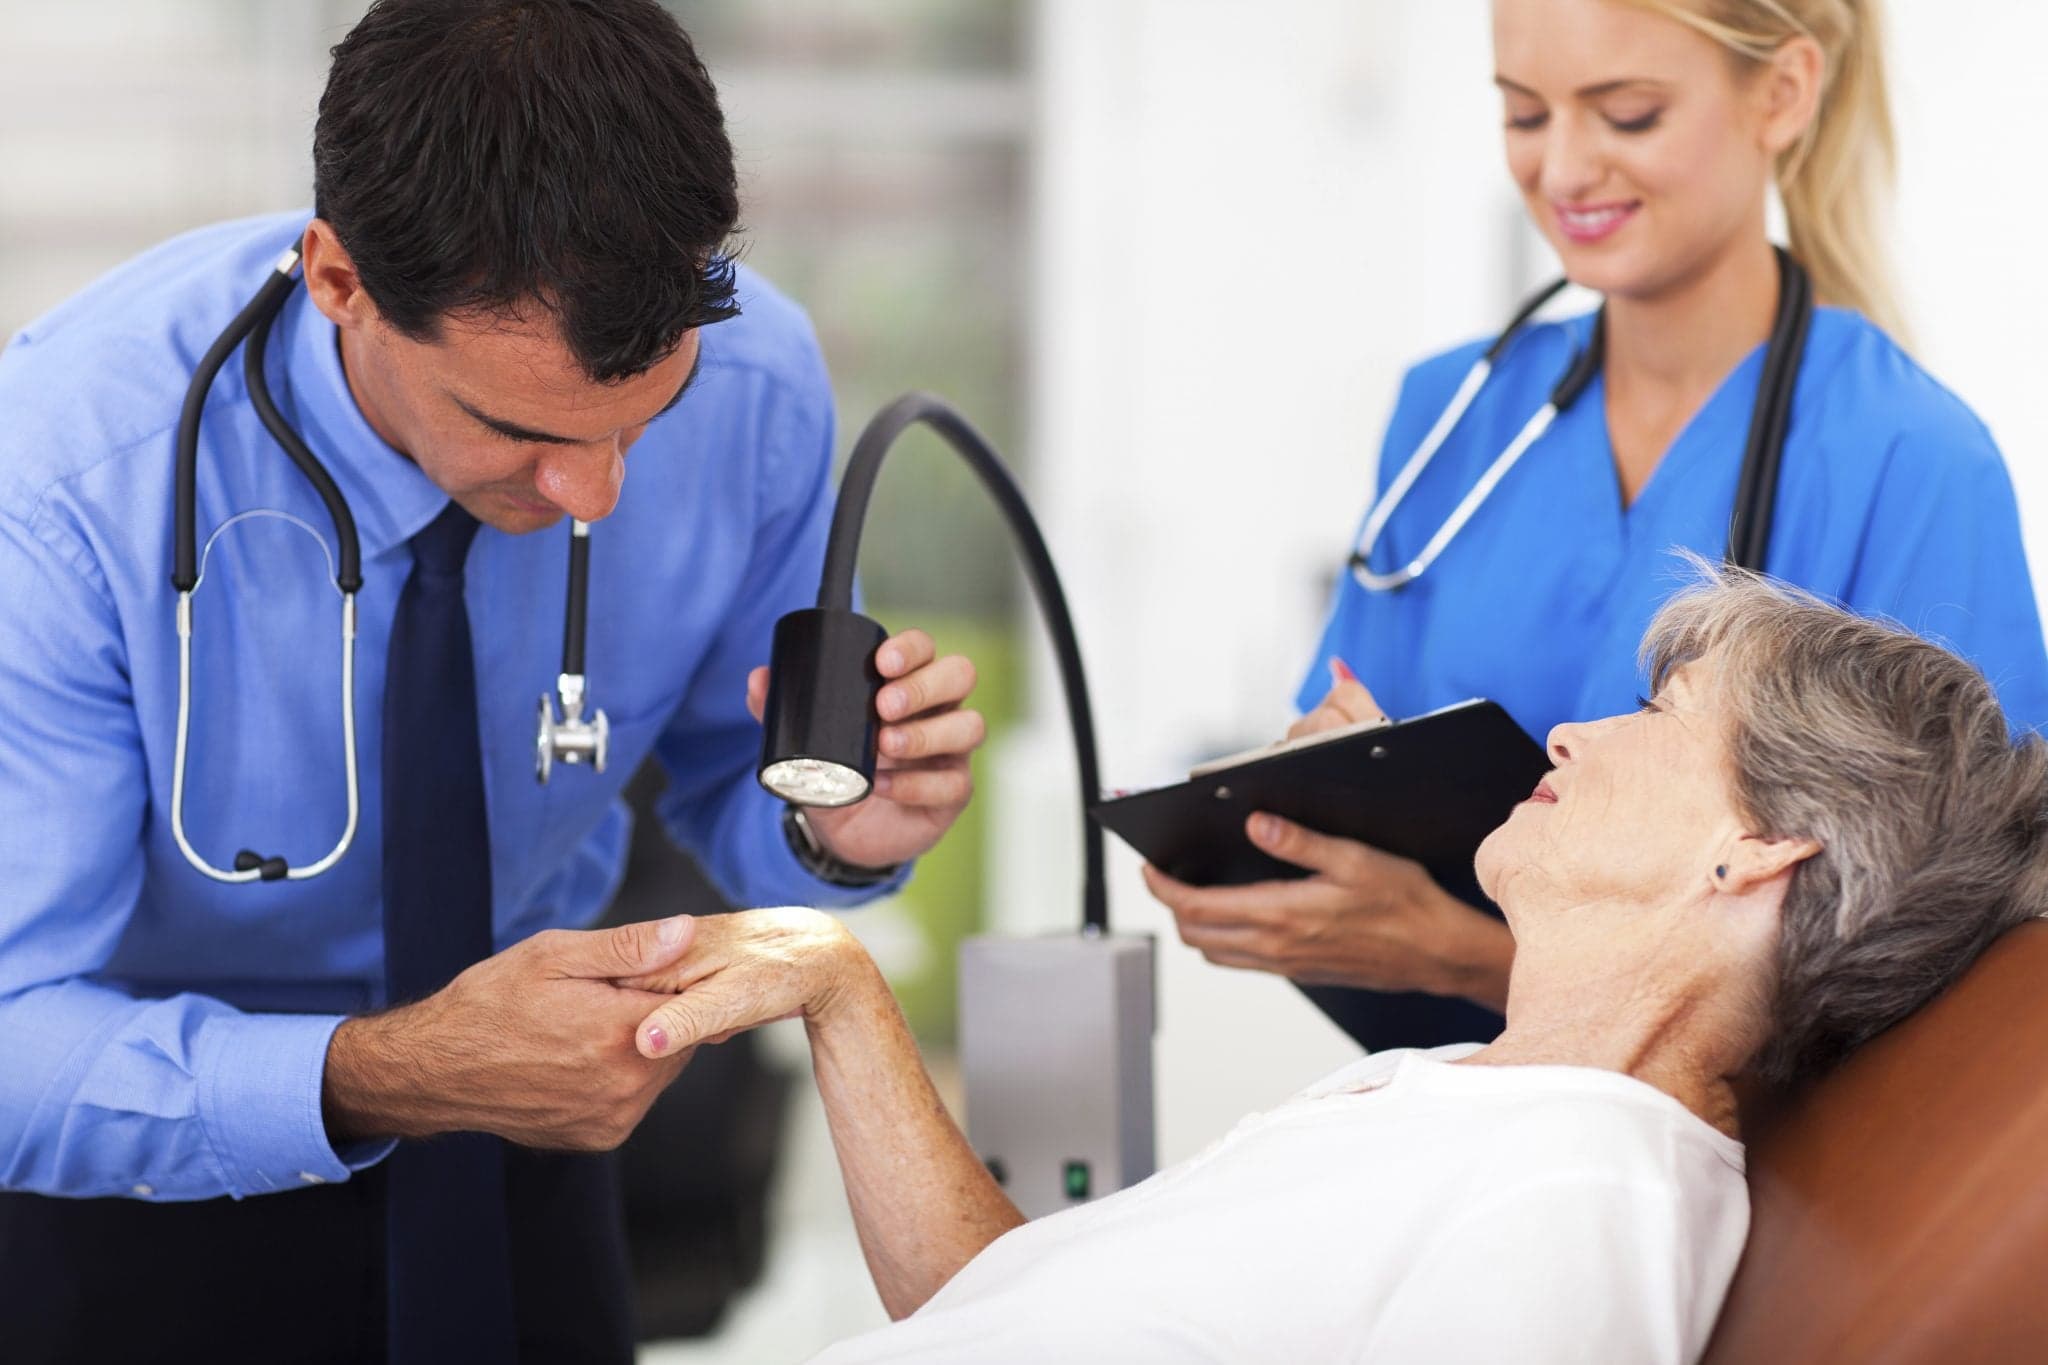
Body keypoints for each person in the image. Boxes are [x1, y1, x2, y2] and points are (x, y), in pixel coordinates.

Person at [0, 3, 985, 1361]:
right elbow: (10, 1040)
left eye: (643, 417)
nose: (595, 490)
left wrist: (830, 829)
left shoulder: (758, 389)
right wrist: (394, 1070)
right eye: (518, 429)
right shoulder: (59, 482)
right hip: (144, 1184)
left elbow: (729, 774)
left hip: (536, 1164)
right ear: (338, 280)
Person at [626, 567, 2047, 1362]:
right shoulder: (1457, 1094)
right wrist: (835, 978)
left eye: (1652, 714)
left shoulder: (1583, 1194)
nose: (1566, 737)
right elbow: (993, 1303)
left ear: (1758, 851)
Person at [1145, 0, 2048, 1051]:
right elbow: (1347, 725)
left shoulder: (1904, 457)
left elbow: (1952, 964)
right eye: (1524, 116)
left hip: (1722, 1176)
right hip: (1434, 1116)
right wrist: (1299, 806)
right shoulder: (1450, 421)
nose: (1564, 170)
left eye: (1625, 115)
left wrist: (1463, 956)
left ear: (1783, 93)